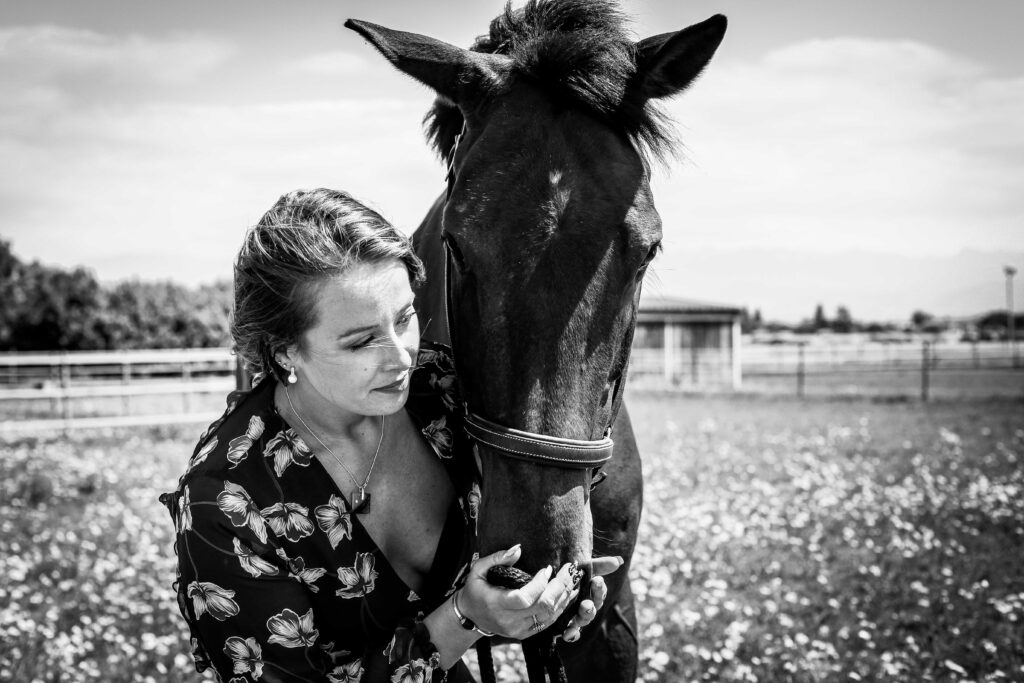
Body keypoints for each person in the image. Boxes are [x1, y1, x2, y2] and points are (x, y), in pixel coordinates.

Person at [160, 188, 618, 682]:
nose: (401, 356)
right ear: (285, 350)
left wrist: (536, 602)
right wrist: (464, 619)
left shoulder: (440, 393)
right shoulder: (224, 502)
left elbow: (495, 577)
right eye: (362, 341)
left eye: (404, 318)